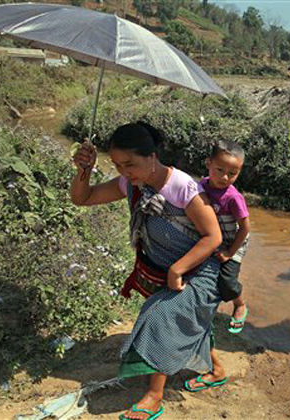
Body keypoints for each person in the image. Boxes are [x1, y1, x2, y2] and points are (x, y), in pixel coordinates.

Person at [71, 122, 223, 420]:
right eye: (117, 165)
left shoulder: (183, 187)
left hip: (200, 270)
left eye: (131, 164)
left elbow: (213, 237)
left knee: (160, 317)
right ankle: (216, 369)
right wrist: (84, 170)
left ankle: (154, 396)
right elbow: (83, 198)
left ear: (152, 156)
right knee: (188, 318)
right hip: (162, 269)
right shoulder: (132, 184)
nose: (125, 172)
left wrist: (178, 269)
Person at [199, 140, 250, 334]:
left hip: (234, 240)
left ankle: (240, 304)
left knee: (227, 281)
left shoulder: (233, 197)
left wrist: (230, 252)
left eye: (232, 174)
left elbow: (245, 228)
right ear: (208, 164)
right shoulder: (202, 185)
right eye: (219, 170)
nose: (225, 177)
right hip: (212, 236)